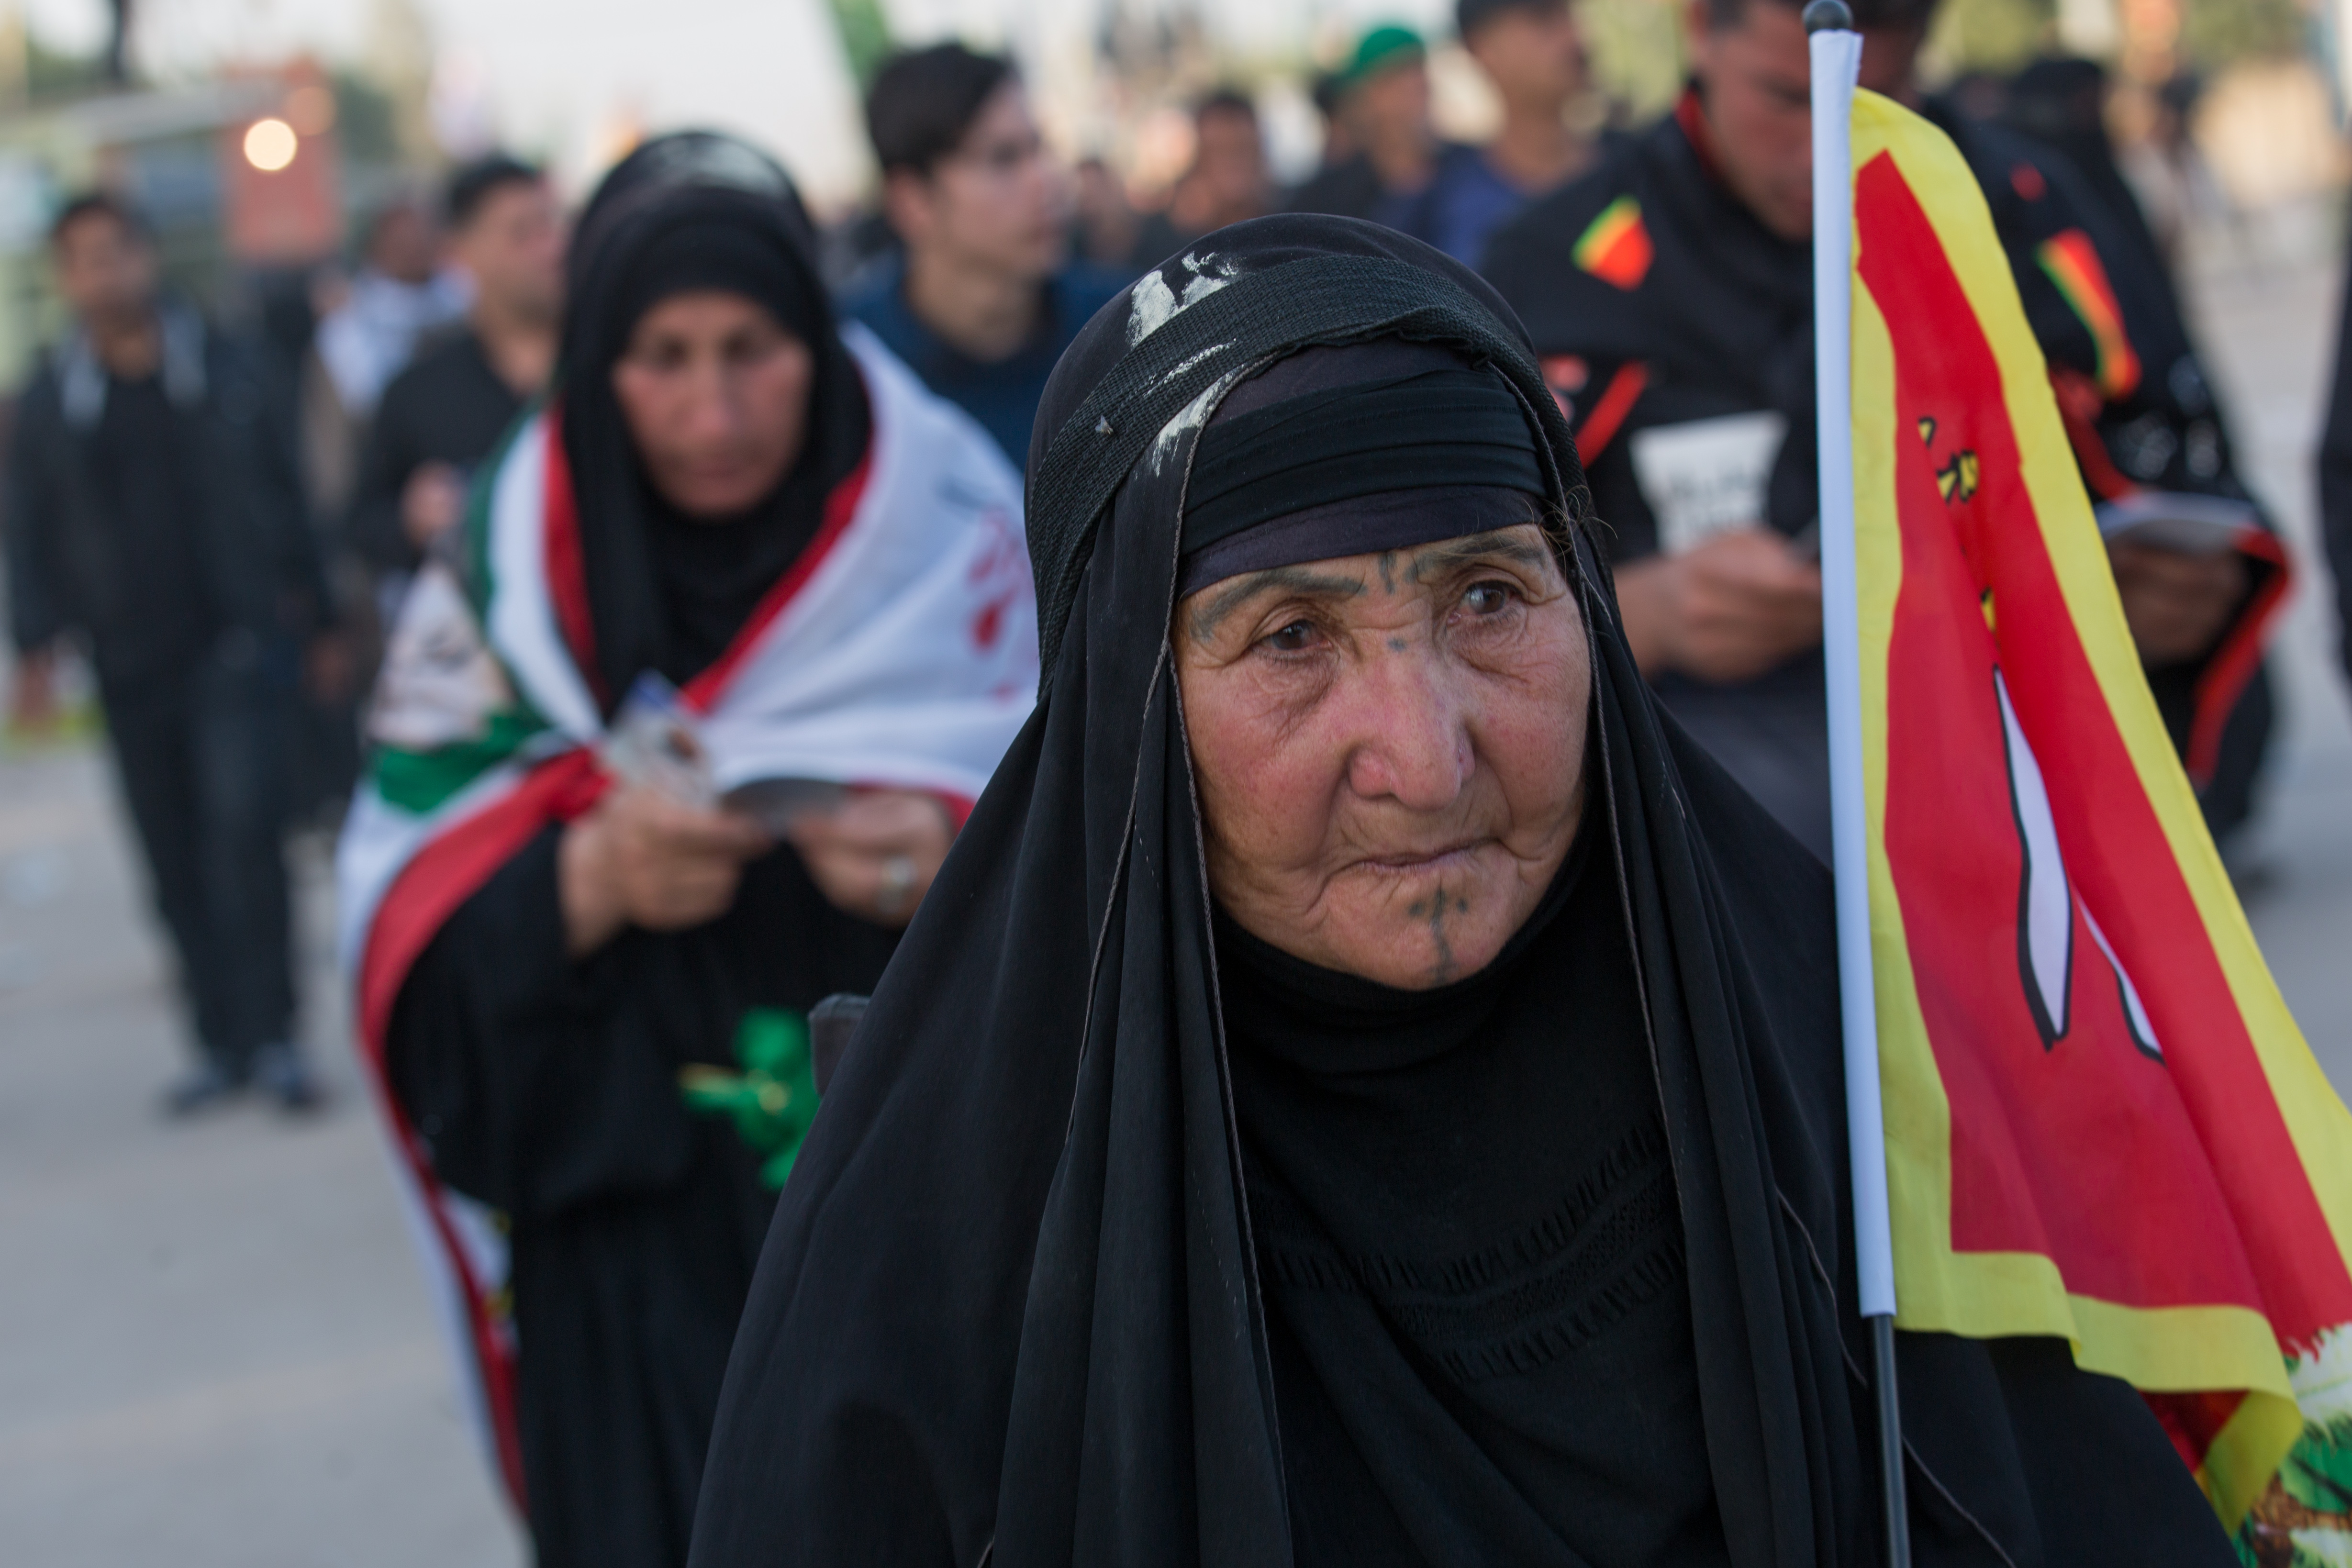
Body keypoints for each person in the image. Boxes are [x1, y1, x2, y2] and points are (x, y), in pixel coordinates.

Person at [686, 216, 2237, 1568]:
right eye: (1289, 637)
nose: (1424, 763)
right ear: (1126, 710)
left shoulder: (1841, 1081)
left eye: (1488, 595)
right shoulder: (946, 1263)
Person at [335, 132, 1035, 1568]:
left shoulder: (947, 528)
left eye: (751, 351)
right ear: (597, 369)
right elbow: (410, 920)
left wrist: (959, 860)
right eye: (662, 358)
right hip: (632, 1280)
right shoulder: (505, 592)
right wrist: (580, 885)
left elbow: (1097, 807)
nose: (713, 410)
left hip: (918, 1242)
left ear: (817, 347)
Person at [1483, 0, 2282, 857]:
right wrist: (1640, 614)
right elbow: (1455, 581)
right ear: (1700, 28)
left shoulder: (2020, 209)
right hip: (1737, 781)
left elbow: (2193, 471)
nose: (1824, 152)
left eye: (1874, 102)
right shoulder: (1556, 263)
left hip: (2035, 757)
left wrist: (2168, 593)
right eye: (1789, 98)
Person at [5, 194, 331, 1113]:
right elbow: (29, 527)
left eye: (117, 251)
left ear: (147, 257)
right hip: (126, 659)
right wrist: (34, 644)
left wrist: (320, 613)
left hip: (236, 645)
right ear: (66, 277)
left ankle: (276, 1035)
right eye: (84, 258)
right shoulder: (53, 397)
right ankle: (220, 1041)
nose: (105, 273)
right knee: (172, 853)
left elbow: (288, 488)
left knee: (246, 836)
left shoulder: (225, 366)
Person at [841, 43, 1128, 465]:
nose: (1046, 181)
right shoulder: (852, 368)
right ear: (912, 201)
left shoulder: (1127, 324)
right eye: (1003, 159)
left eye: (1039, 148)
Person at [347, 155, 564, 590]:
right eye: (522, 233)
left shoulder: (618, 369)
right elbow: (362, 526)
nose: (550, 249)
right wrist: (411, 520)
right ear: (460, 253)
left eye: (552, 226)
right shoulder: (417, 394)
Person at [314, 196, 468, 422]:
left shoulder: (464, 298)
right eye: (402, 241)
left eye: (421, 236)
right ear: (376, 247)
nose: (414, 248)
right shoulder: (348, 321)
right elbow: (362, 402)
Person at [1128, 90, 1276, 271]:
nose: (1234, 164)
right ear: (1197, 160)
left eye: (1243, 149)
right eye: (1220, 151)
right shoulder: (1160, 243)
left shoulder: (1285, 229)